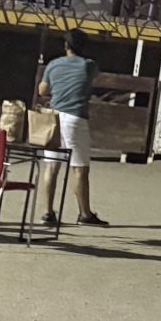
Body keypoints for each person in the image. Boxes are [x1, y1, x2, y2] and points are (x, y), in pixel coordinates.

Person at [37, 31, 109, 227]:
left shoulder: (53, 64)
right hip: (75, 119)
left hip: (54, 117)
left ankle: (48, 213)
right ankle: (84, 214)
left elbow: (42, 90)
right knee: (79, 169)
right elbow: (94, 78)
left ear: (66, 46)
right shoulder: (88, 65)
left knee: (51, 166)